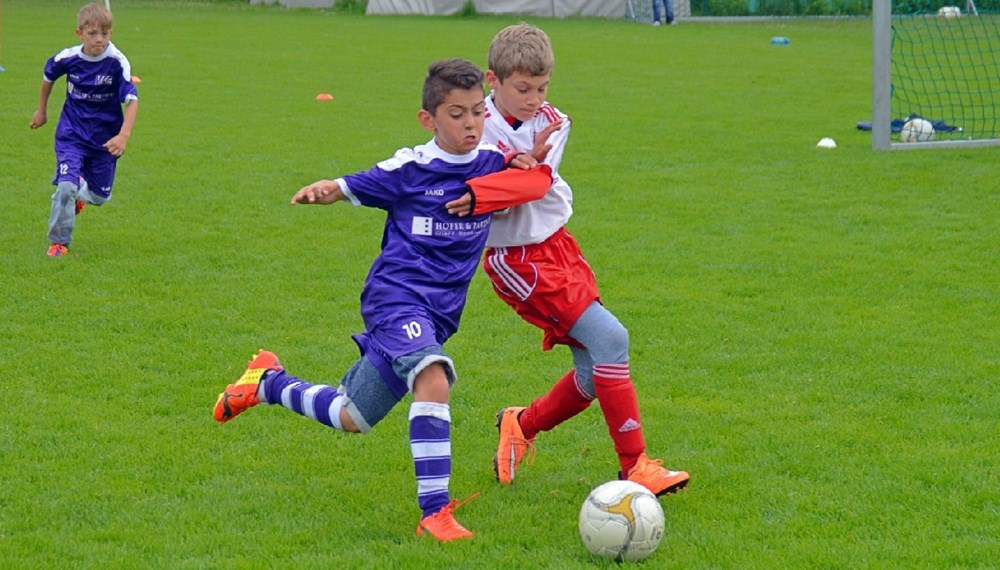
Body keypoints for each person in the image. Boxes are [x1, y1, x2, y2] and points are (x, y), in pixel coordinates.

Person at [211, 59, 551, 542]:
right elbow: (353, 185)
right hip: (396, 299)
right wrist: (325, 190)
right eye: (457, 114)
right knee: (434, 378)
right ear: (428, 119)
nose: (471, 123)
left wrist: (529, 164)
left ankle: (266, 382)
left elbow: (536, 186)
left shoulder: (493, 166)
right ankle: (434, 513)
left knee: (354, 416)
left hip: (438, 315)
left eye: (477, 111)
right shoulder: (412, 168)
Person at [478, 23, 690, 497]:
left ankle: (521, 423)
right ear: (493, 81)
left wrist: (514, 171)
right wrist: (508, 173)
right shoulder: (475, 125)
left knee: (595, 371)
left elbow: (533, 183)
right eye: (522, 89)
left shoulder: (556, 120)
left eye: (542, 87)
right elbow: (502, 192)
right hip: (517, 260)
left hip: (559, 246)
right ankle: (635, 467)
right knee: (612, 337)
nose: (535, 99)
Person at [30, 2, 138, 257]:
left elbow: (132, 100)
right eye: (93, 34)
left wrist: (123, 135)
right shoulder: (68, 58)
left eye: (105, 33)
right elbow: (48, 76)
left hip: (104, 140)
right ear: (80, 33)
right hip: (72, 134)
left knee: (100, 197)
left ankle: (79, 195)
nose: (100, 40)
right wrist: (41, 111)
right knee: (65, 188)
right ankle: (59, 242)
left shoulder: (116, 62)